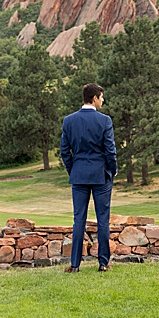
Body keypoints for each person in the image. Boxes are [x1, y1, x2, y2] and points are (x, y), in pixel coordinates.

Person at [59, 82, 118, 271]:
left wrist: (73, 170)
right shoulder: (104, 121)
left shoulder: (69, 121)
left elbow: (64, 152)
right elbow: (110, 151)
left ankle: (74, 265)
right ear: (94, 98)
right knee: (103, 220)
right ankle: (103, 263)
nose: (103, 100)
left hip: (79, 175)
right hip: (101, 176)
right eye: (101, 97)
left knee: (79, 220)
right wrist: (113, 170)